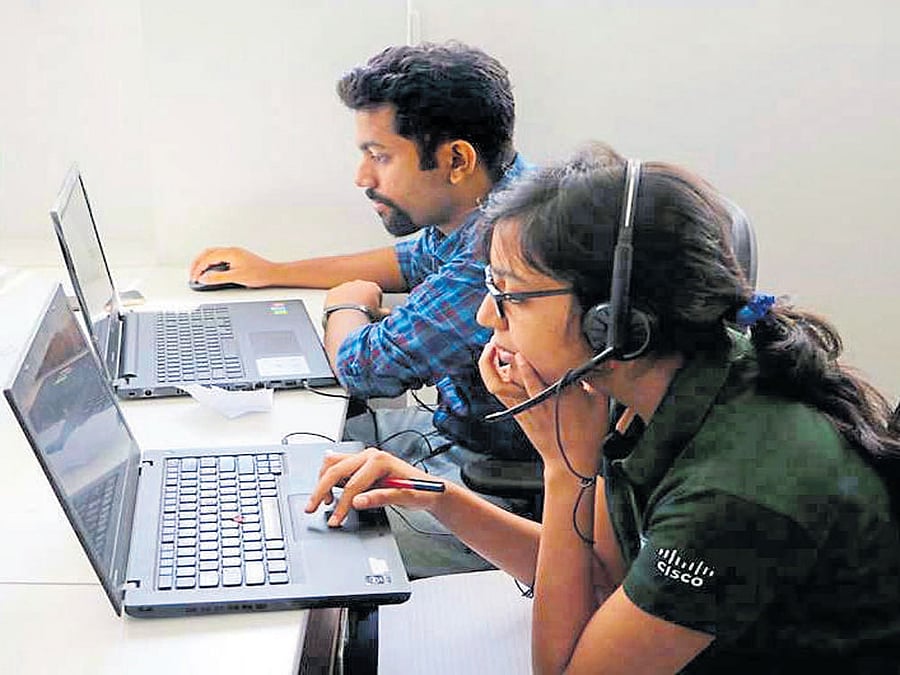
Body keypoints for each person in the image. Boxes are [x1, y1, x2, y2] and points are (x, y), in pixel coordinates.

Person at [306, 143, 900, 673]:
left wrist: (566, 470)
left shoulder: (735, 492)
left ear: (610, 320)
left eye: (508, 295)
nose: (489, 317)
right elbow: (600, 579)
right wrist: (433, 494)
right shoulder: (653, 379)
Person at [188, 41, 536, 577]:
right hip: (464, 433)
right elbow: (407, 260)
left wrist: (344, 305)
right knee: (283, 458)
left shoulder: (499, 251)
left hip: (495, 487)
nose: (362, 177)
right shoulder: (505, 194)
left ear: (457, 160)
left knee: (278, 528)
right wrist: (273, 270)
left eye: (380, 156)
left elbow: (363, 368)